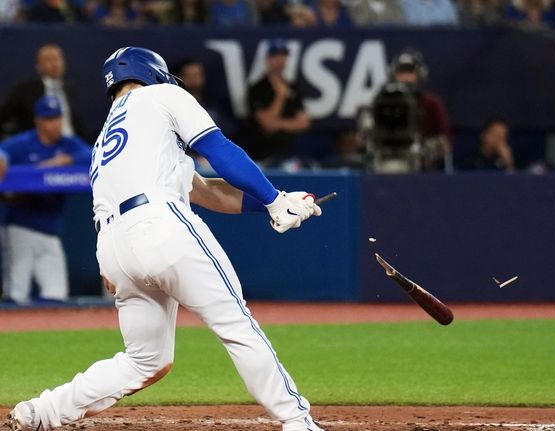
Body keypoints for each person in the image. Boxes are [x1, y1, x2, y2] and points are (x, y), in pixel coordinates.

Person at [7, 47, 324, 431]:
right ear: (152, 73)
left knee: (144, 359)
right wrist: (273, 200)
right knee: (236, 324)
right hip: (162, 225)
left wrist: (278, 200)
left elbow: (205, 190)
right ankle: (296, 420)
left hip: (113, 248)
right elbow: (218, 149)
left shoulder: (106, 138)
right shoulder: (163, 95)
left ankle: (43, 411)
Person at [0, 96, 92, 305]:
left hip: (51, 230)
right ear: (38, 121)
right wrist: (3, 158)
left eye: (58, 118)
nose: (55, 123)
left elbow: (91, 153)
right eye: (49, 119)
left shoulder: (67, 144)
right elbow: (3, 150)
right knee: (17, 293)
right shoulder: (25, 142)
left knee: (56, 295)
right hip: (19, 227)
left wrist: (67, 159)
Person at [0, 44, 86, 140]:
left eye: (58, 59)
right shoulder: (25, 90)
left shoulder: (70, 89)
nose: (55, 64)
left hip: (70, 144)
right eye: (49, 60)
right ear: (38, 66)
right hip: (38, 146)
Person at [247, 39, 311, 165]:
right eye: (276, 56)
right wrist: (280, 96)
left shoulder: (293, 87)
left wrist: (278, 123)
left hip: (292, 151)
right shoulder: (257, 89)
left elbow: (304, 123)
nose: (280, 60)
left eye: (283, 56)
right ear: (268, 59)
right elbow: (267, 124)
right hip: (265, 152)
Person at [391, 49, 452, 172]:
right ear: (393, 75)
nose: (406, 78)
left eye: (410, 72)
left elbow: (445, 142)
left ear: (420, 75)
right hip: (387, 167)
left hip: (423, 170)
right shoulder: (383, 102)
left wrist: (422, 150)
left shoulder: (431, 103)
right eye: (402, 72)